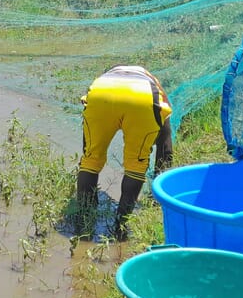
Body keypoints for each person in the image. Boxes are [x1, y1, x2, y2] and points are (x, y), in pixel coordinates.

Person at [74, 65, 173, 241]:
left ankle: (83, 222)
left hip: (100, 94)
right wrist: (158, 189)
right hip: (142, 98)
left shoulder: (105, 78)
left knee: (91, 160)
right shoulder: (155, 85)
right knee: (136, 165)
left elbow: (86, 146)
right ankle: (120, 227)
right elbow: (165, 146)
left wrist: (89, 158)